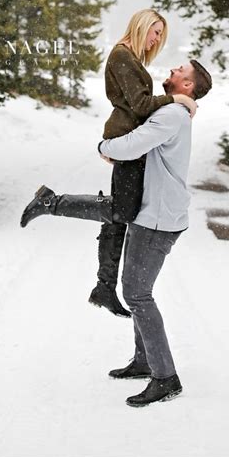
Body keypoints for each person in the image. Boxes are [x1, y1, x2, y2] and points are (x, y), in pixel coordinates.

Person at [20, 59, 212, 407]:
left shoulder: (170, 116)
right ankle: (144, 360)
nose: (171, 71)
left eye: (179, 71)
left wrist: (104, 148)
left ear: (188, 86)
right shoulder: (175, 112)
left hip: (157, 218)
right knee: (137, 287)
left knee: (138, 294)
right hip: (154, 212)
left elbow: (131, 144)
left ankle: (166, 377)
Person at [20, 9, 197, 318]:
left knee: (120, 214)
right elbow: (141, 105)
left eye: (160, 35)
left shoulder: (132, 58)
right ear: (141, 26)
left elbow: (139, 106)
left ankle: (104, 288)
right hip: (124, 137)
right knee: (119, 211)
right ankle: (51, 202)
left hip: (130, 138)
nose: (157, 39)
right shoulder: (122, 55)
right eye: (155, 32)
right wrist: (178, 100)